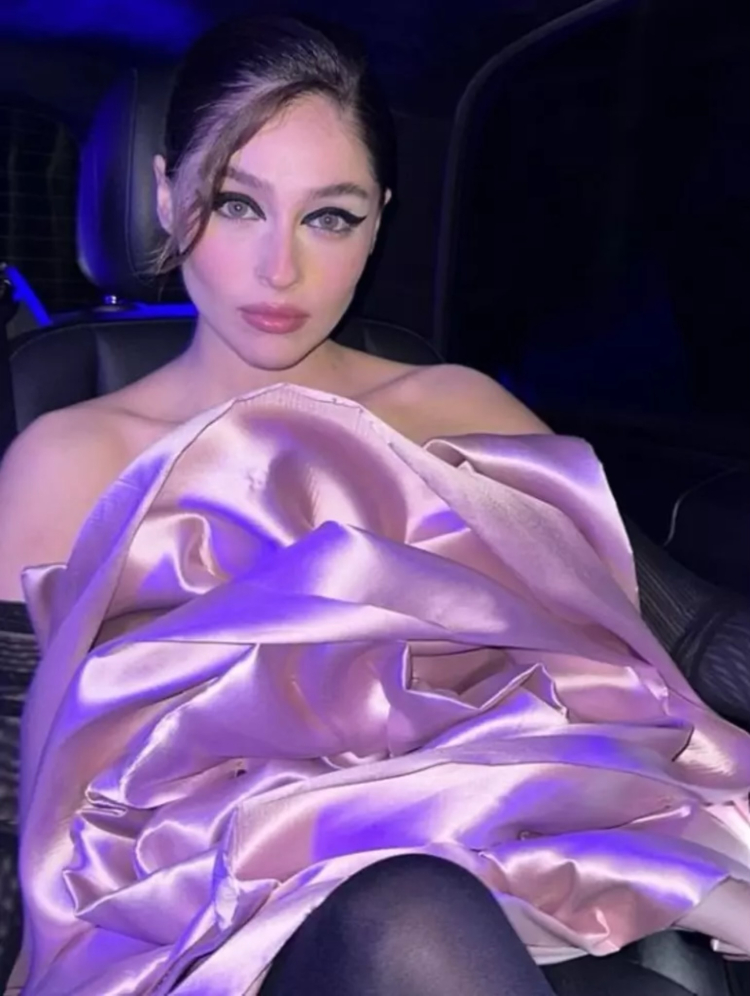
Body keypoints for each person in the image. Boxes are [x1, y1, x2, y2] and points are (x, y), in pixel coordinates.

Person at [0, 16, 749, 996]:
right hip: (213, 930)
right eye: (236, 204)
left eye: (330, 217)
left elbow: (682, 632)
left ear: (379, 220)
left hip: (532, 872)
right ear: (164, 193)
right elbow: (14, 789)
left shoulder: (458, 408)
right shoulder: (67, 458)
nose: (280, 270)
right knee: (414, 916)